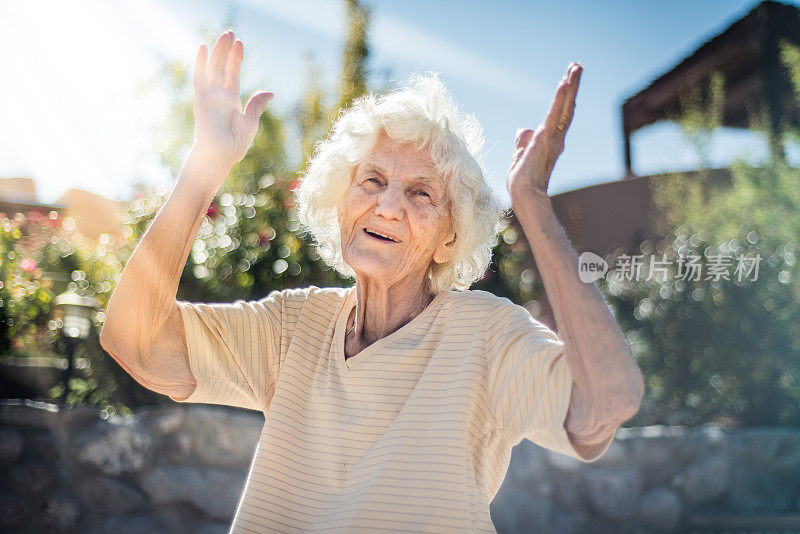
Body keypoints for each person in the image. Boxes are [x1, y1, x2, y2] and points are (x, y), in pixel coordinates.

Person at [100, 30, 645, 533]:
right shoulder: (294, 327)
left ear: (450, 237)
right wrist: (205, 164)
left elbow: (606, 401)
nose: (387, 207)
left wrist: (532, 203)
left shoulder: (485, 333)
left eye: (420, 193)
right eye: (373, 181)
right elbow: (136, 343)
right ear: (341, 201)